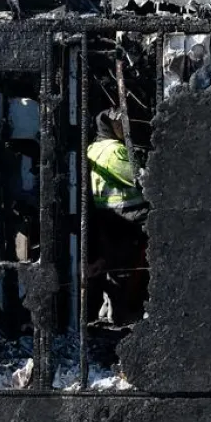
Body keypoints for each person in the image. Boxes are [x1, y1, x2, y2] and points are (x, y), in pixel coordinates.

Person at [85, 109, 149, 325]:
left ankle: (108, 309)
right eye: (120, 124)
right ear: (109, 126)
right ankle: (120, 313)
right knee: (126, 265)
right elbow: (137, 177)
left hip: (106, 214)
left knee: (111, 265)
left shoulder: (94, 148)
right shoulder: (114, 151)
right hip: (127, 214)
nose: (124, 128)